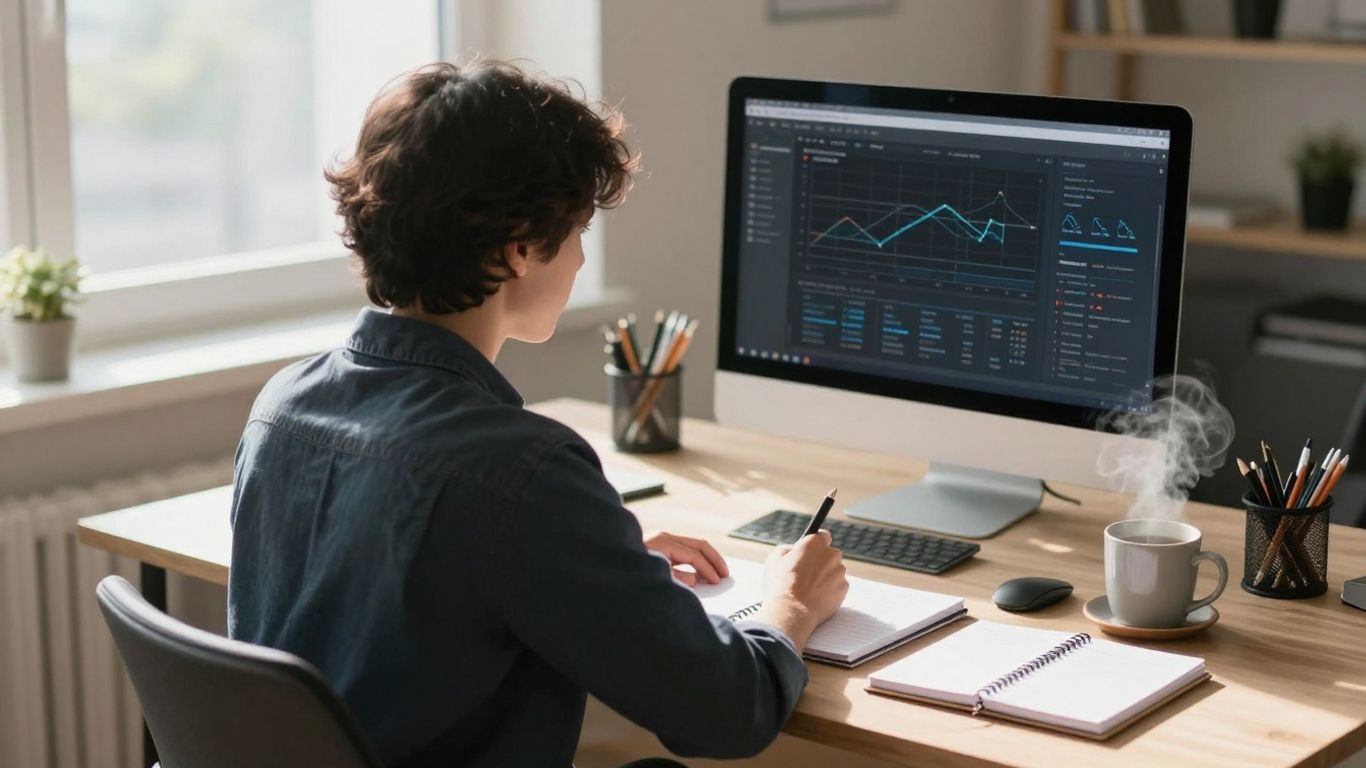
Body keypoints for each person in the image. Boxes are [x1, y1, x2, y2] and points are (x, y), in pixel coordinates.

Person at [226, 60, 849, 768]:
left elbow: (393, 596)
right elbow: (730, 712)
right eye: (579, 230)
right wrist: (790, 604)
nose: (581, 258)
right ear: (521, 248)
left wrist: (590, 565)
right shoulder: (521, 472)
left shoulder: (281, 406)